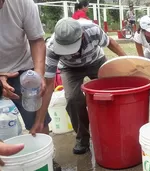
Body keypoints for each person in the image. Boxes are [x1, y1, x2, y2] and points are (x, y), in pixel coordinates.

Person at [40, 18, 126, 155]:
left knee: (110, 94)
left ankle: (112, 131)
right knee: (73, 99)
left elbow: (111, 43)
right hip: (70, 69)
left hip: (96, 61)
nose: (70, 52)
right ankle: (83, 139)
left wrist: (126, 60)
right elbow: (49, 84)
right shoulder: (51, 47)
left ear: (81, 35)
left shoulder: (92, 30)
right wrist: (41, 115)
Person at [0, 0, 61, 170]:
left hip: (22, 68)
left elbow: (36, 40)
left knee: (37, 118)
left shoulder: (23, 3)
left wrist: (38, 74)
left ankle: (45, 157)